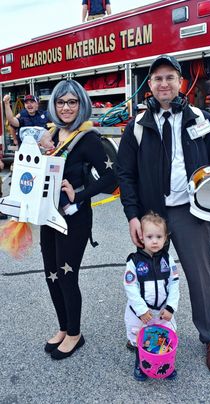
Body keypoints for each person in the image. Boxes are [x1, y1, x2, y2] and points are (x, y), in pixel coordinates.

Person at [117, 54, 210, 373]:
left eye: (170, 77)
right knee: (147, 276)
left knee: (200, 276)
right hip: (151, 214)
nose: (164, 83)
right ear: (150, 85)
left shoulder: (201, 118)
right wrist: (132, 215)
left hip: (190, 211)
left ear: (180, 81)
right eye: (157, 78)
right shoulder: (138, 126)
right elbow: (124, 173)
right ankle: (146, 331)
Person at [40, 79, 116, 360]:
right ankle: (63, 327)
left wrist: (80, 193)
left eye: (72, 102)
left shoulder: (88, 139)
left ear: (82, 104)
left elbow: (112, 177)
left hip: (75, 219)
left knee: (67, 276)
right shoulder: (51, 135)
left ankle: (75, 333)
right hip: (47, 216)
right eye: (61, 102)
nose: (66, 107)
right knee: (51, 275)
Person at [124, 211, 179, 381]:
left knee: (163, 337)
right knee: (141, 338)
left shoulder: (168, 260)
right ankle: (141, 363)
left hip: (162, 311)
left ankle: (165, 365)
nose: (154, 241)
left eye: (159, 236)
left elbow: (174, 284)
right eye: (149, 236)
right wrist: (141, 310)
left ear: (165, 239)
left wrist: (170, 307)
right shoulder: (133, 261)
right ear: (142, 238)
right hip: (140, 313)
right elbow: (130, 287)